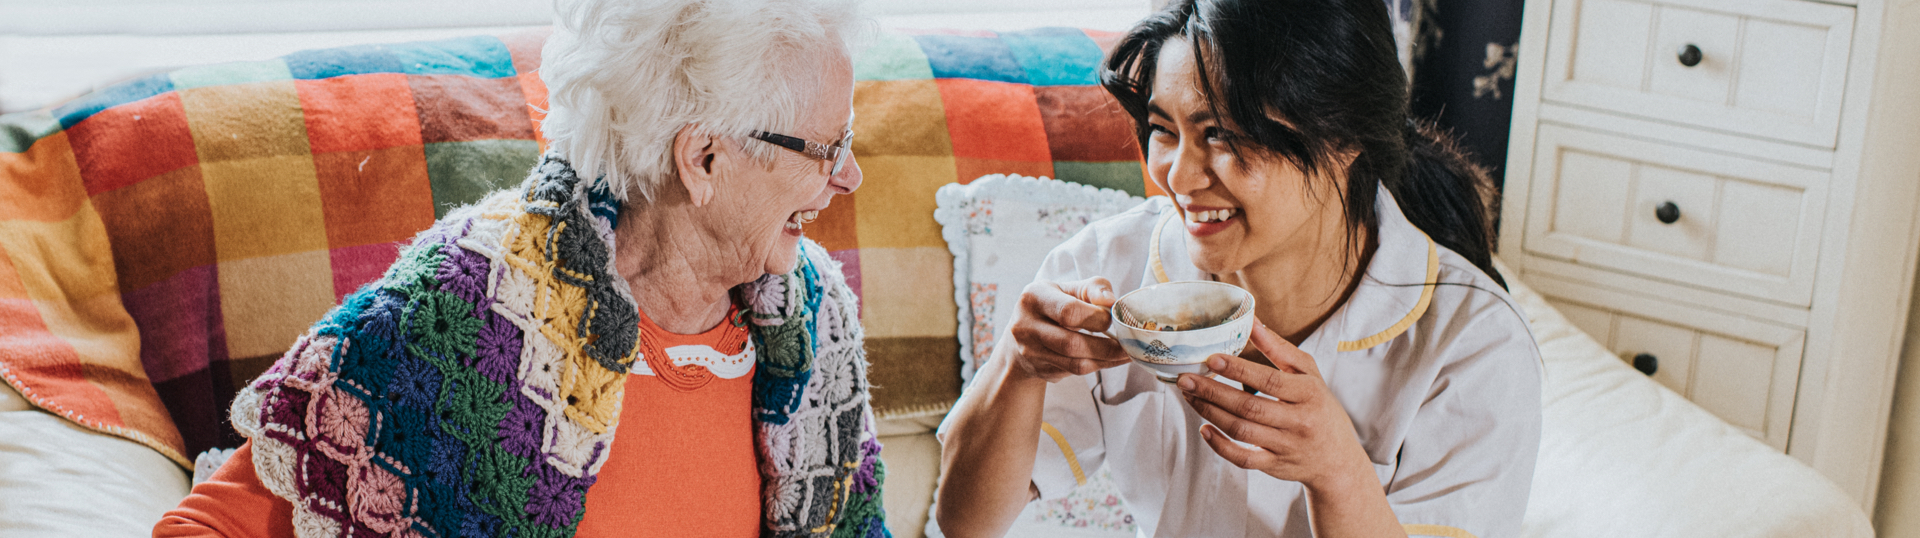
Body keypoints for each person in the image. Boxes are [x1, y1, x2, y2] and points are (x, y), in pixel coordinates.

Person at [153, 0, 889, 536]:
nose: (850, 176)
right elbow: (210, 528)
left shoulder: (814, 322)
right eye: (826, 150)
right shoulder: (475, 306)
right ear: (703, 159)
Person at [933, 0, 1542, 536]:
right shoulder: (1110, 270)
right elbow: (965, 523)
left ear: (1345, 137)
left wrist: (1338, 473)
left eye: (1221, 135)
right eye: (1163, 129)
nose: (1177, 175)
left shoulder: (1475, 347)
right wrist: (1019, 368)